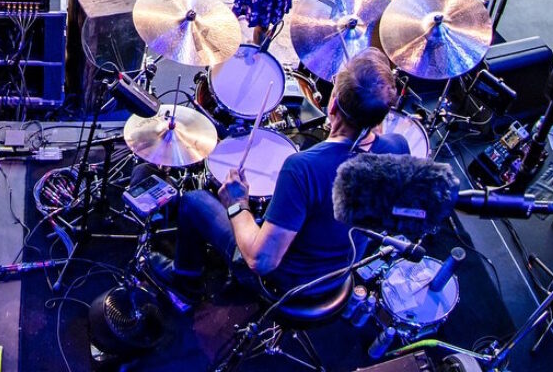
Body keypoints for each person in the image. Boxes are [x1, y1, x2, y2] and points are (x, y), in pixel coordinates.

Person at [148, 49, 411, 297]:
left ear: (331, 105)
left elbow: (260, 261)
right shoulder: (398, 148)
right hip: (342, 270)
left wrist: (237, 206)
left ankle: (184, 281)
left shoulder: (304, 168)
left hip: (289, 283)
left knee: (194, 202)